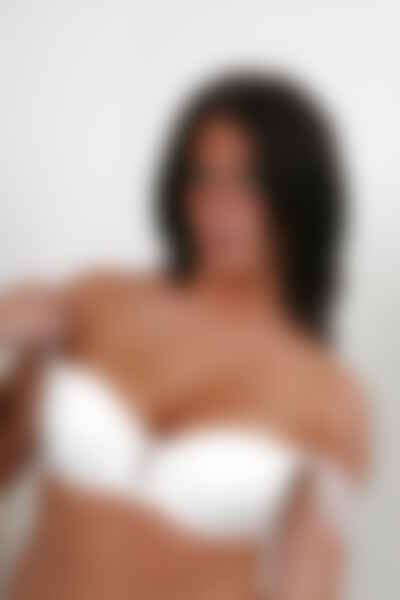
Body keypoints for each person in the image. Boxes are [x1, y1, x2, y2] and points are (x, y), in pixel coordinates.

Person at [0, 71, 370, 600]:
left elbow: (307, 583)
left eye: (248, 181)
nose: (219, 205)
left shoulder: (329, 397)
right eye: (203, 177)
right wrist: (15, 340)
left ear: (296, 195)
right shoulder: (97, 301)